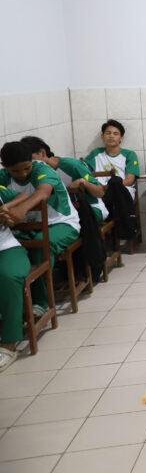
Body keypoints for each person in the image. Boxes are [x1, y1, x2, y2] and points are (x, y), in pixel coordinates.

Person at [0, 141, 81, 315]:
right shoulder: (3, 176)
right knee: (13, 251)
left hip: (61, 223)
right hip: (26, 228)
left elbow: (43, 192)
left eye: (26, 168)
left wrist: (21, 208)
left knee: (40, 244)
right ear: (4, 166)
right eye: (16, 171)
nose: (22, 174)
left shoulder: (42, 169)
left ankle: (41, 302)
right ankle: (16, 302)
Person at [21, 136, 108, 223]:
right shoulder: (32, 174)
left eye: (31, 160)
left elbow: (100, 192)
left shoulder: (72, 165)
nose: (29, 165)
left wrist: (83, 182)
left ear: (43, 153)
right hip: (61, 215)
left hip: (91, 207)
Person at [0, 182, 31, 372]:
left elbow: (21, 195)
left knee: (9, 277)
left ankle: (9, 344)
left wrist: (6, 210)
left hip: (7, 248)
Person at [85, 119, 140, 198]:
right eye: (108, 133)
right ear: (102, 136)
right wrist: (93, 184)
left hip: (122, 189)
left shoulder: (130, 155)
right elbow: (84, 173)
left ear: (121, 138)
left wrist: (109, 187)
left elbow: (129, 180)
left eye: (115, 134)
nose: (111, 136)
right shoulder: (95, 153)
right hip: (100, 191)